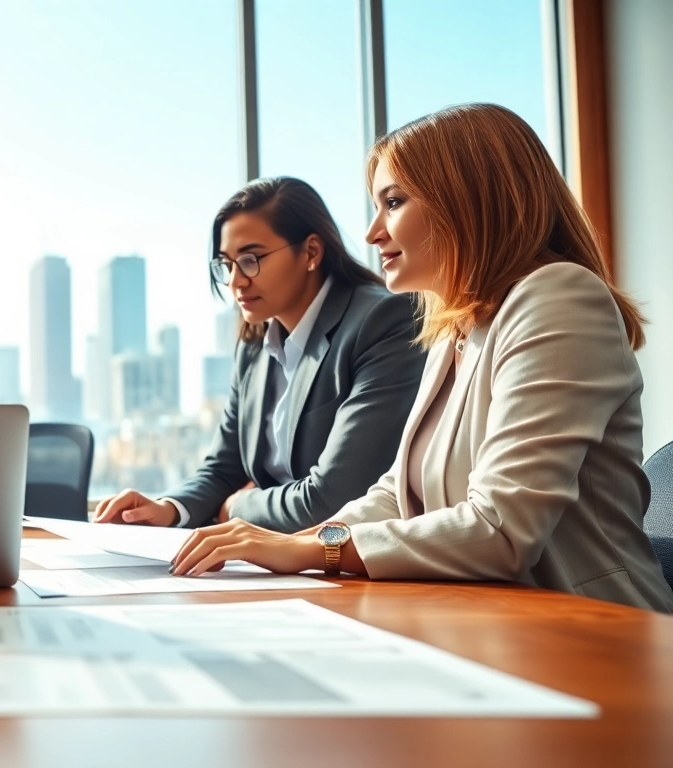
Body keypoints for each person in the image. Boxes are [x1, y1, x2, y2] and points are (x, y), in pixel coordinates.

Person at [170, 104, 673, 613]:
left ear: (465, 199)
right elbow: (395, 495)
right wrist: (290, 546)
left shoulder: (558, 296)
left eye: (393, 202)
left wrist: (306, 549)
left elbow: (500, 528)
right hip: (491, 619)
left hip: (596, 630)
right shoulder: (455, 327)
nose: (372, 234)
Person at [94, 177, 425, 533]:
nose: (236, 280)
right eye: (227, 264)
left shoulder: (381, 321)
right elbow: (224, 466)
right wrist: (169, 508)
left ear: (311, 252)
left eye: (251, 259)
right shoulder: (254, 344)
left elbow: (333, 500)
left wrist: (238, 507)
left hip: (344, 561)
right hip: (269, 558)